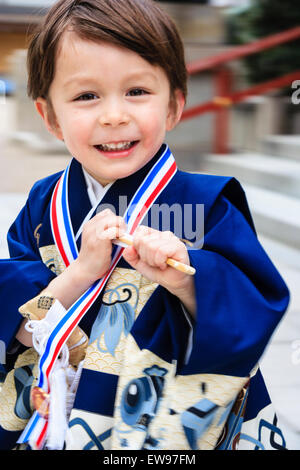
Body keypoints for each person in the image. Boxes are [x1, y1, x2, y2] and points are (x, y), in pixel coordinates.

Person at [0, 0, 290, 451]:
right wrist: (82, 272)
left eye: (137, 91)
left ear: (175, 105)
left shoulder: (204, 203)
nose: (114, 115)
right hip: (59, 409)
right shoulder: (43, 202)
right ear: (50, 117)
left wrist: (186, 276)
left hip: (161, 425)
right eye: (86, 96)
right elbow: (17, 318)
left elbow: (249, 308)